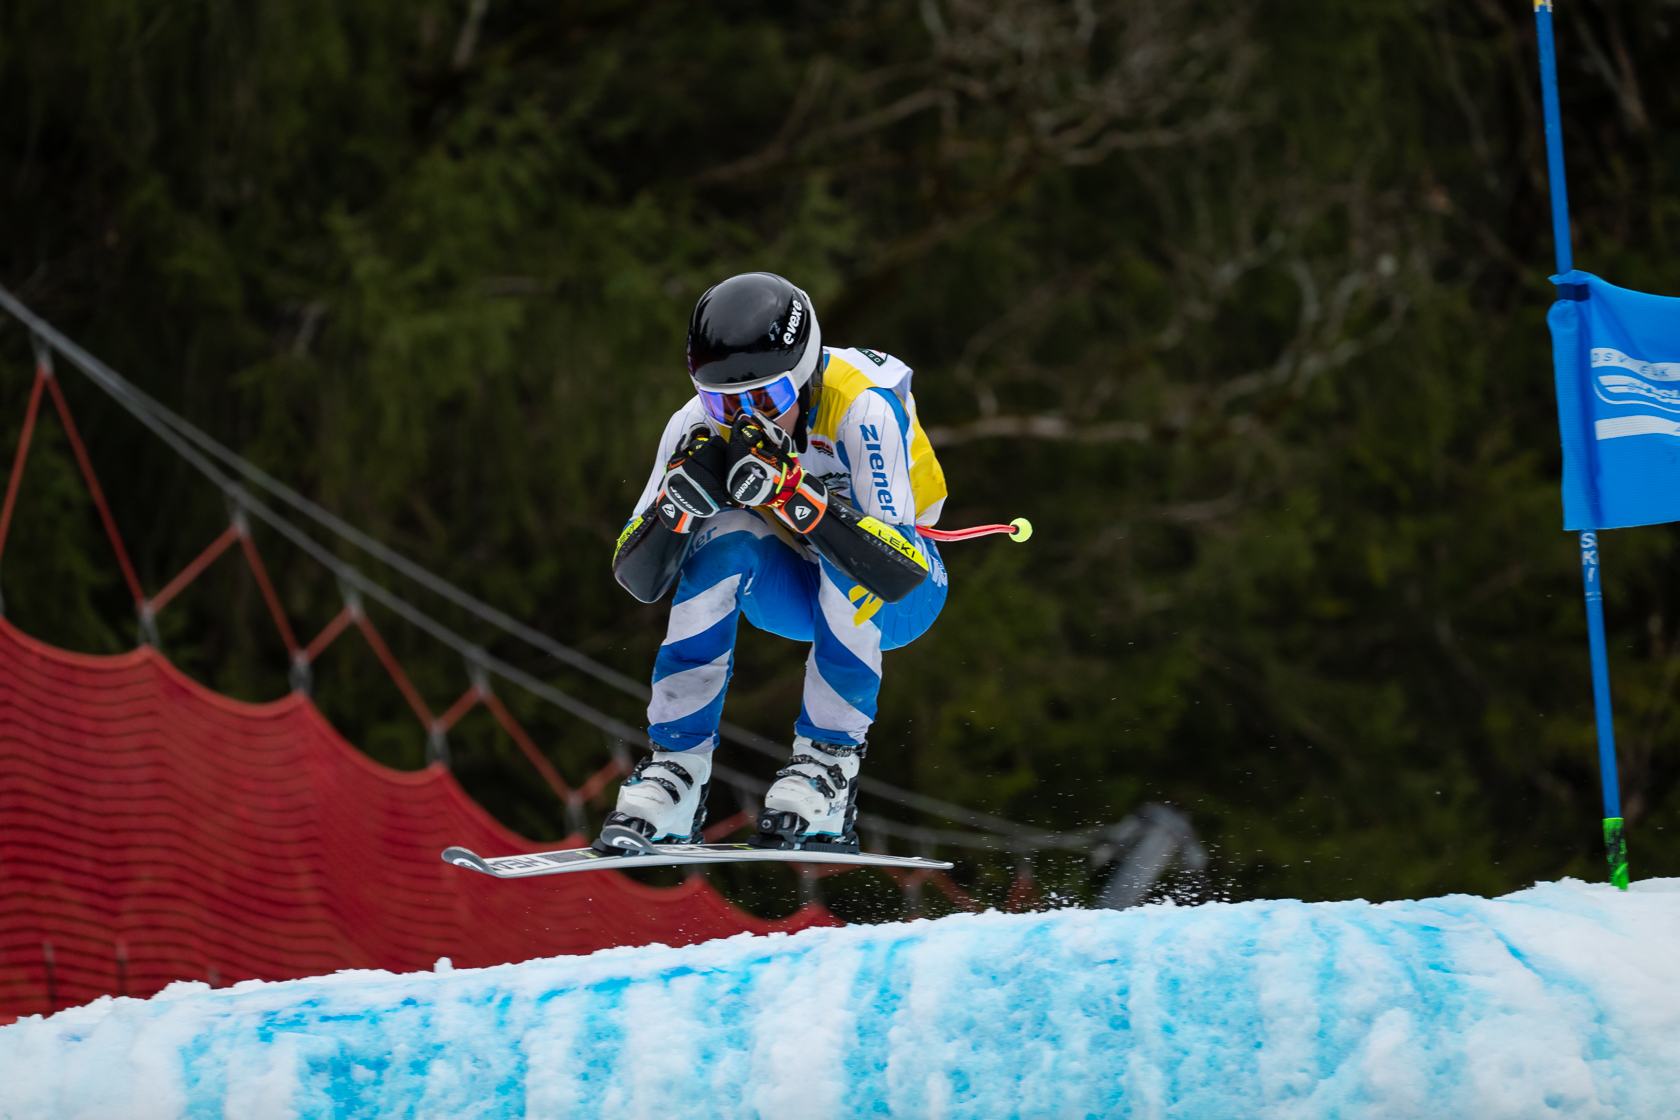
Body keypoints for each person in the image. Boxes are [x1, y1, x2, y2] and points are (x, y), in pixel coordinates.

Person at [597, 271, 950, 855]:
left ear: (807, 375)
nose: (745, 421)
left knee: (844, 544)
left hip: (901, 591)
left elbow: (897, 569)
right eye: (722, 403)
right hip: (793, 590)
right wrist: (675, 511)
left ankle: (828, 768)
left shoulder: (860, 408)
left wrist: (798, 498)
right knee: (728, 534)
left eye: (767, 400)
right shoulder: (694, 424)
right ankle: (677, 769)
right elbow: (638, 577)